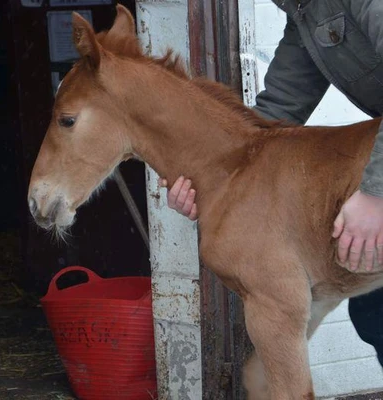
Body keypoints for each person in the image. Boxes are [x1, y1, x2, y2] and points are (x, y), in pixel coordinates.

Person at [160, 0, 383, 365]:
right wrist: (205, 180)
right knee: (374, 312)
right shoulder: (306, 15)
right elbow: (278, 109)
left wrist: (376, 194)